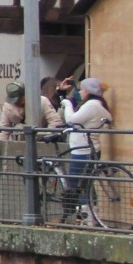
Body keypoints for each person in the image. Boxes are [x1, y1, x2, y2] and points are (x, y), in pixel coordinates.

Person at [54, 77, 113, 222]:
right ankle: (86, 217)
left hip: (82, 151)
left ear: (87, 91)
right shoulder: (97, 105)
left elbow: (71, 120)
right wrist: (63, 94)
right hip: (90, 149)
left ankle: (87, 219)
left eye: (81, 89)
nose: (79, 91)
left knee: (77, 185)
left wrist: (67, 103)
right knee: (85, 184)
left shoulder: (91, 105)